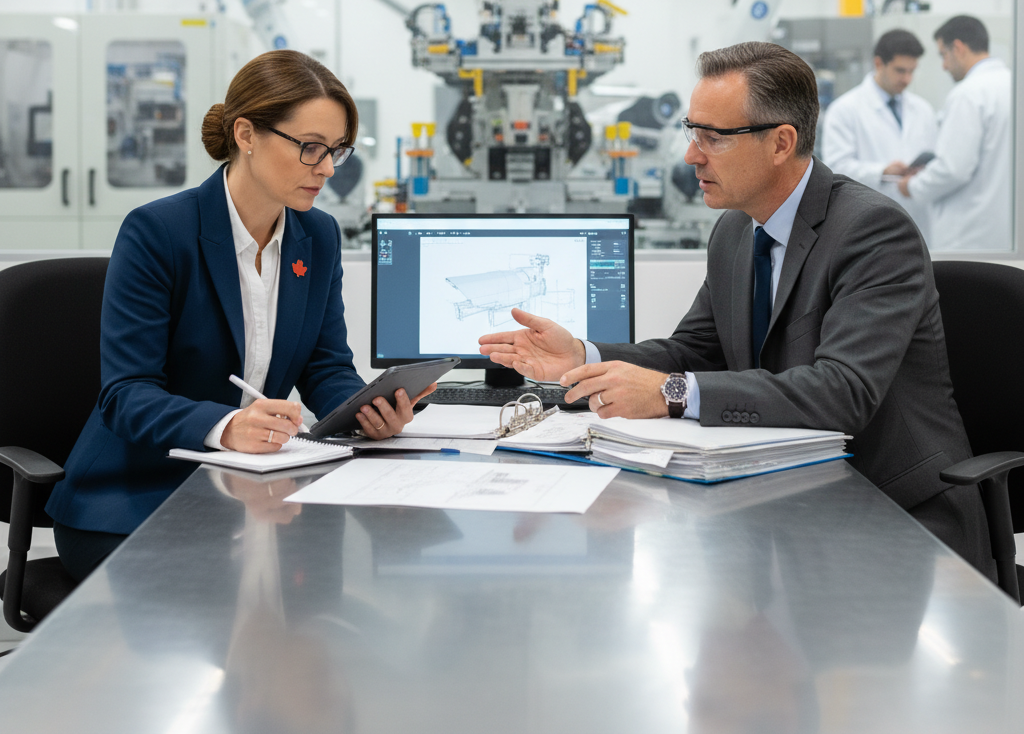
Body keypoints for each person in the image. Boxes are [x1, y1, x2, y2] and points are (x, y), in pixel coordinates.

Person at [480, 41, 993, 578]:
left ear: (781, 143)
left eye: (714, 138)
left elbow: (842, 392)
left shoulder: (872, 232)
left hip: (895, 513)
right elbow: (695, 350)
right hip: (790, 493)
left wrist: (670, 394)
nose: (691, 155)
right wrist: (583, 356)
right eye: (692, 131)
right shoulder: (735, 231)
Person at [46, 50, 433, 580]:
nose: (326, 168)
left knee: (332, 580)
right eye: (310, 147)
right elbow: (126, 395)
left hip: (254, 489)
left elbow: (325, 367)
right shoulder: (158, 232)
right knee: (249, 599)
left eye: (336, 151)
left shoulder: (318, 236)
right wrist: (227, 427)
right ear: (246, 134)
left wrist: (366, 413)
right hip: (137, 497)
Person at [897, 15, 1011, 252]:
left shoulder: (968, 94)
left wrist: (913, 186)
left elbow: (953, 169)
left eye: (943, 55)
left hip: (968, 234)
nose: (944, 66)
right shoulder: (1013, 85)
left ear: (958, 48)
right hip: (1007, 232)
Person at [822, 28, 937, 240]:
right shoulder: (845, 110)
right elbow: (836, 169)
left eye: (912, 71)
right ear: (878, 63)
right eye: (900, 71)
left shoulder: (923, 109)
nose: (907, 79)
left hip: (918, 223)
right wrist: (883, 171)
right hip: (869, 224)